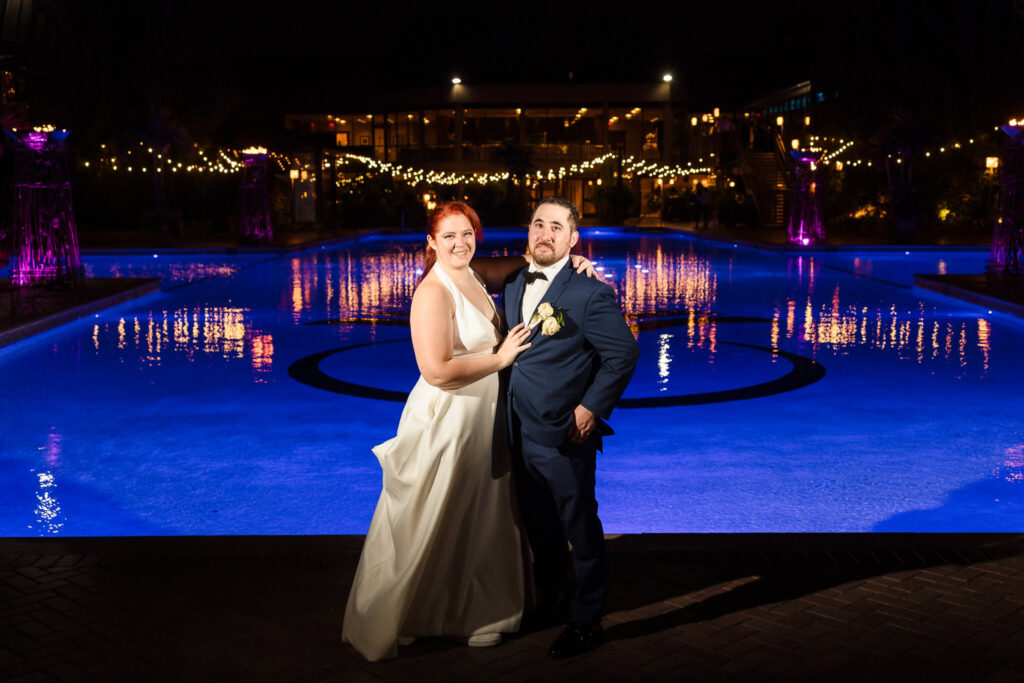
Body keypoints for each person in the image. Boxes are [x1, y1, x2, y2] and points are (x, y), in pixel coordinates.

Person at [342, 201, 595, 661]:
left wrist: (568, 260)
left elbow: (526, 260)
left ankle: (474, 612)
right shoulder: (432, 292)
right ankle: (415, 613)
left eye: (467, 234)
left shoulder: (473, 273)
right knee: (438, 513)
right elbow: (436, 370)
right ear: (431, 243)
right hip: (450, 416)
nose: (460, 243)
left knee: (477, 516)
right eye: (449, 236)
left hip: (484, 415)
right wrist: (500, 359)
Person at [504, 197, 639, 659]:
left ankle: (587, 619)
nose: (545, 233)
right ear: (528, 231)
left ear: (572, 238)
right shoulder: (511, 283)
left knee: (579, 530)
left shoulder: (589, 293)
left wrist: (589, 409)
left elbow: (623, 354)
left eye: (556, 227)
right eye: (538, 224)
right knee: (540, 529)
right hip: (518, 432)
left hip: (565, 434)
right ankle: (556, 602)